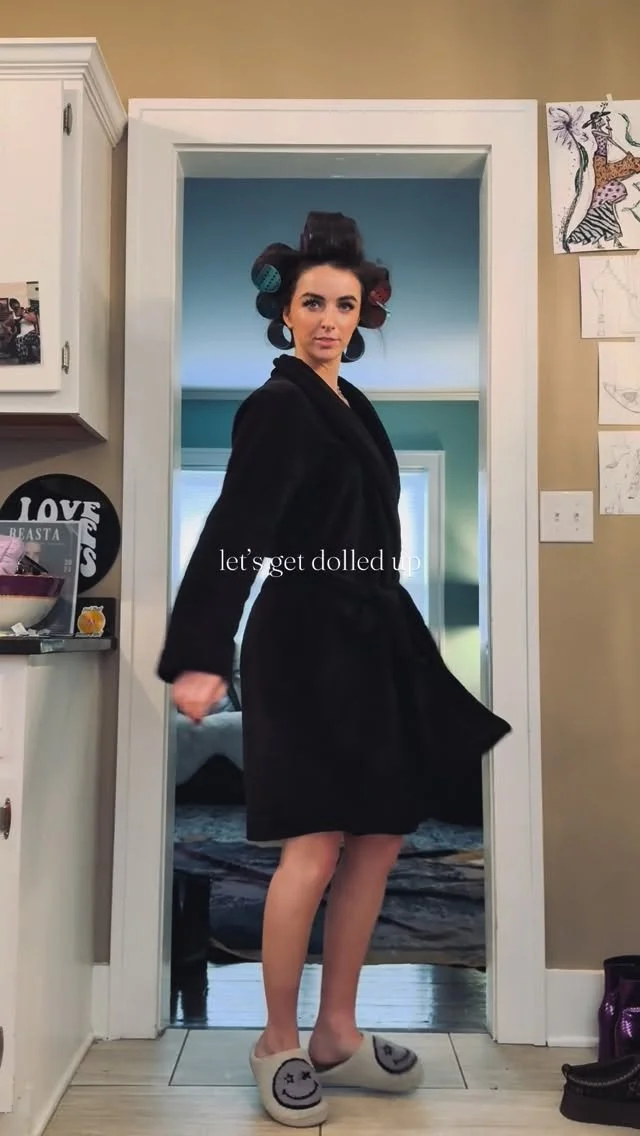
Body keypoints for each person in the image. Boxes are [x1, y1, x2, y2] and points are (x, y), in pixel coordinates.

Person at [157, 211, 511, 1128]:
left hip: (371, 635)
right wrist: (201, 652)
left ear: (362, 315)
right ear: (285, 311)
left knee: (381, 837)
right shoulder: (276, 405)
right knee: (312, 846)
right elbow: (235, 529)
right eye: (313, 302)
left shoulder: (354, 404)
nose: (328, 320)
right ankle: (277, 1039)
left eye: (344, 305)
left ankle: (336, 1033)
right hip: (304, 640)